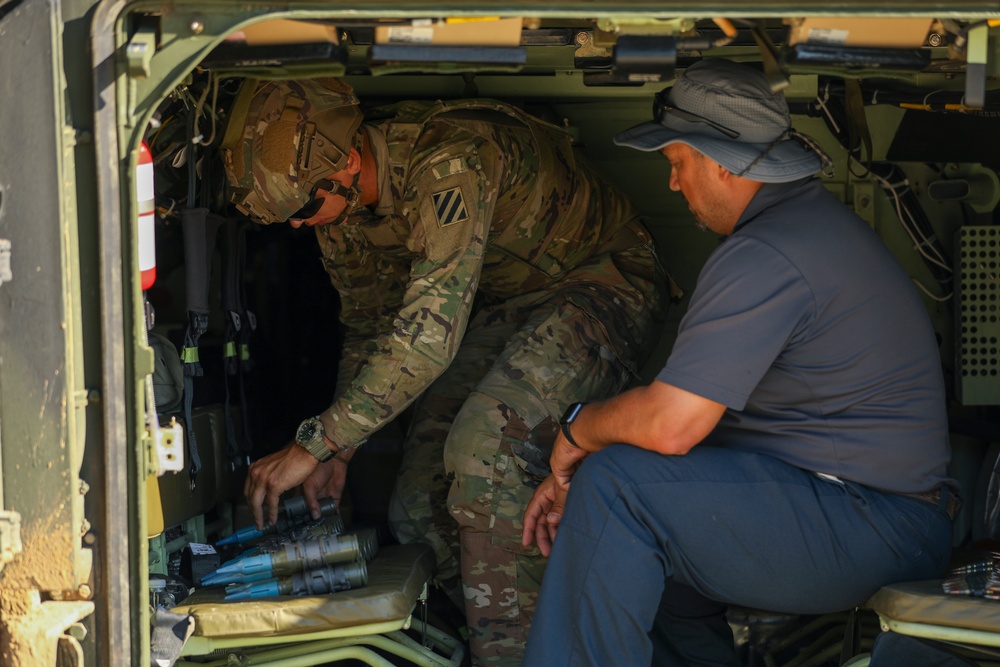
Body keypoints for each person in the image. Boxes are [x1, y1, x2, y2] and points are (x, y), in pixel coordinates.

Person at [521, 58, 957, 667]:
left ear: (719, 162)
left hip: (871, 524)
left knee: (618, 489)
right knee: (645, 538)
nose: (673, 184)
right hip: (882, 518)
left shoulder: (768, 251)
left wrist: (575, 431)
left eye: (677, 163)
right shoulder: (805, 226)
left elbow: (672, 425)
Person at [222, 77, 671, 665]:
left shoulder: (449, 161)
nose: (302, 226)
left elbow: (428, 339)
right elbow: (372, 328)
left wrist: (317, 440)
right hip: (505, 307)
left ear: (349, 162)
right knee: (417, 505)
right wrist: (340, 452)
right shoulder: (341, 210)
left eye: (305, 207)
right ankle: (500, 639)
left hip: (604, 280)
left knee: (484, 450)